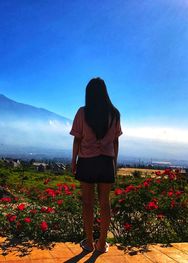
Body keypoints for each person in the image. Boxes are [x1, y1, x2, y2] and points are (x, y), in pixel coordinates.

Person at [70, 77, 122, 253]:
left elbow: (77, 139)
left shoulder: (82, 112)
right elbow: (115, 142)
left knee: (87, 203)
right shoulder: (114, 114)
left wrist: (73, 162)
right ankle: (102, 243)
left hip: (86, 161)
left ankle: (89, 242)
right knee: (105, 203)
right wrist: (114, 164)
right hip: (106, 162)